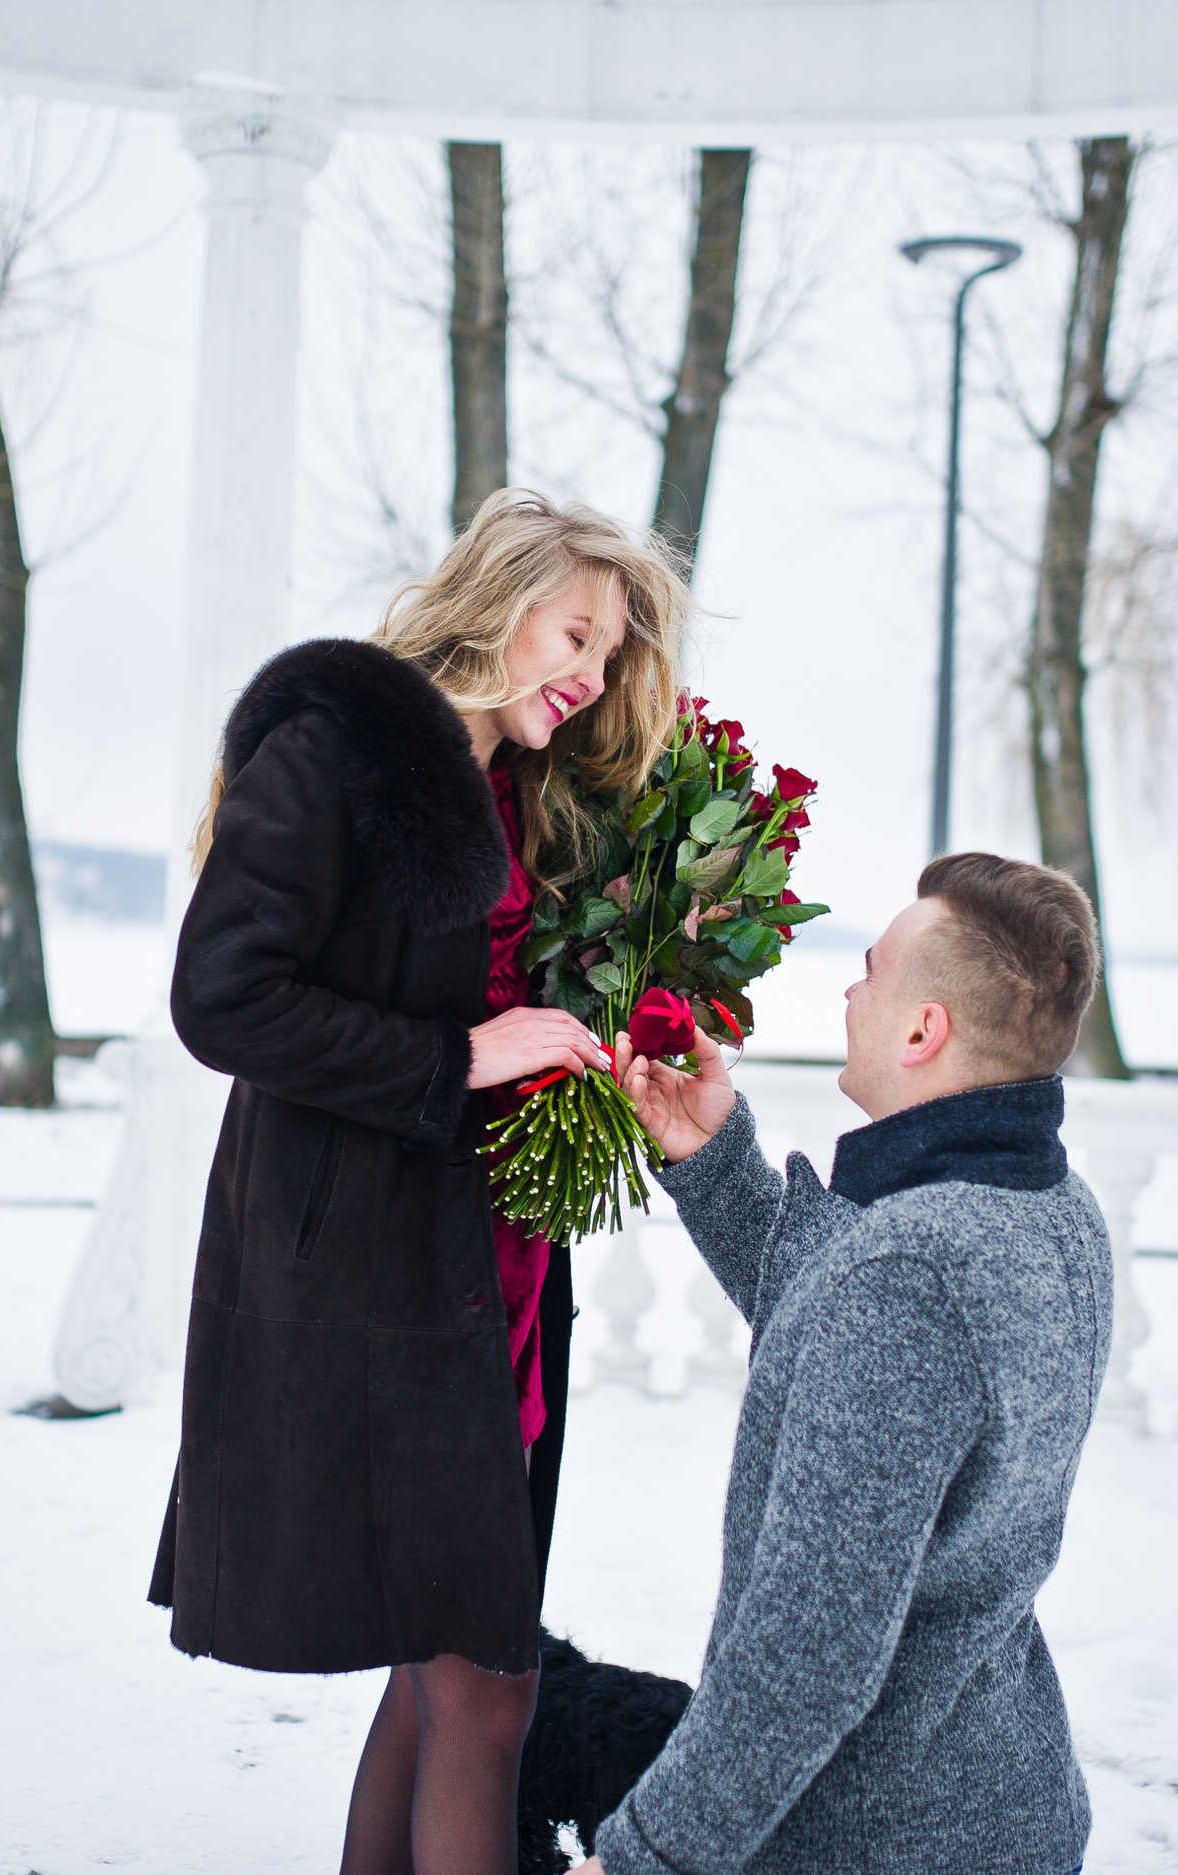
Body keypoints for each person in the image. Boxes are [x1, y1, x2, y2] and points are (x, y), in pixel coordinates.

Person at [147, 489, 689, 1875]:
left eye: (612, 651)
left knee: (437, 1672)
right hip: (375, 1292)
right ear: (497, 599)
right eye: (578, 631)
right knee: (485, 1685)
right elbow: (222, 998)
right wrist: (462, 1054)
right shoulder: (335, 751)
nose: (592, 671)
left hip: (492, 1281)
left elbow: (503, 979)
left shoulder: (519, 783)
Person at [589, 853, 1116, 1875]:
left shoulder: (913, 1265)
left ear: (925, 1032)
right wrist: (713, 1160)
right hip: (1000, 1806)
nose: (849, 990)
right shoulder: (1055, 1211)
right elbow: (851, 1349)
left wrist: (640, 1857)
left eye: (871, 970)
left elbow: (806, 1654)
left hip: (873, 1839)